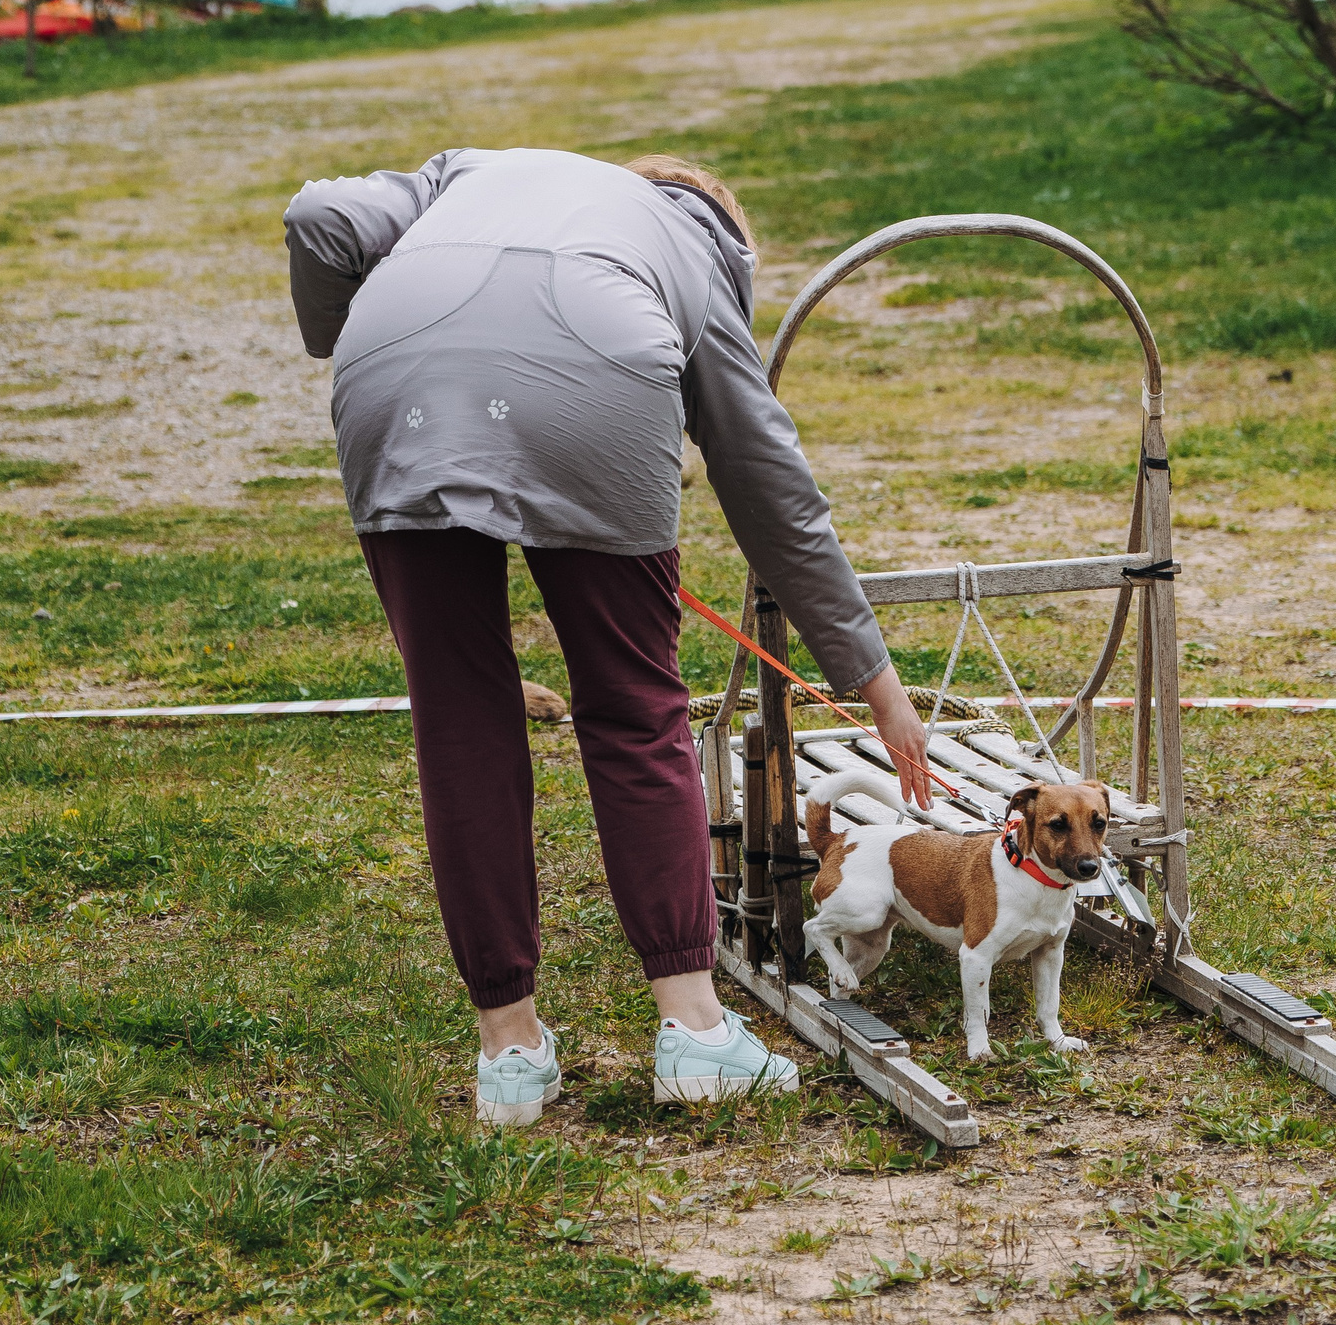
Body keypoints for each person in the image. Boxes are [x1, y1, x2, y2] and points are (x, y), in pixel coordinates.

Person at [284, 147, 935, 1123]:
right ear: (724, 228)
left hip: (392, 373)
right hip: (595, 372)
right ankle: (695, 1033)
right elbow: (776, 498)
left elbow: (318, 217)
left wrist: (352, 328)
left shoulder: (468, 172)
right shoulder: (690, 248)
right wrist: (879, 687)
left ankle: (508, 1056)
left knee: (459, 716)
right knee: (633, 707)